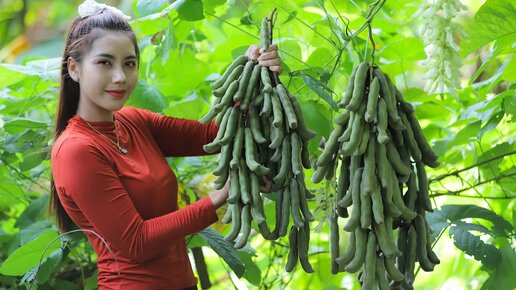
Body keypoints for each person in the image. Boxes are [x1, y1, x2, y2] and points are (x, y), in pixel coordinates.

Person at [49, 1, 281, 289]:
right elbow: (136, 243)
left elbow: (216, 136)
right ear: (74, 68)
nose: (120, 77)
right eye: (105, 62)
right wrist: (221, 196)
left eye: (129, 63)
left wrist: (256, 77)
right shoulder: (76, 150)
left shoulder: (133, 121)